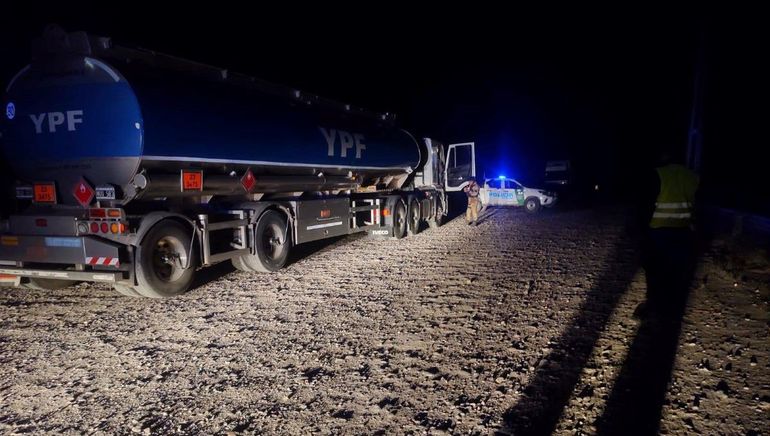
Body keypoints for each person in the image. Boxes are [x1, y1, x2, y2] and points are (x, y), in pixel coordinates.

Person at [638, 152, 700, 319]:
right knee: (676, 270)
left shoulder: (658, 174)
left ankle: (654, 305)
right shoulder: (692, 176)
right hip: (683, 230)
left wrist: (641, 230)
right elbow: (698, 205)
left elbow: (646, 205)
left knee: (656, 271)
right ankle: (672, 306)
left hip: (658, 230)